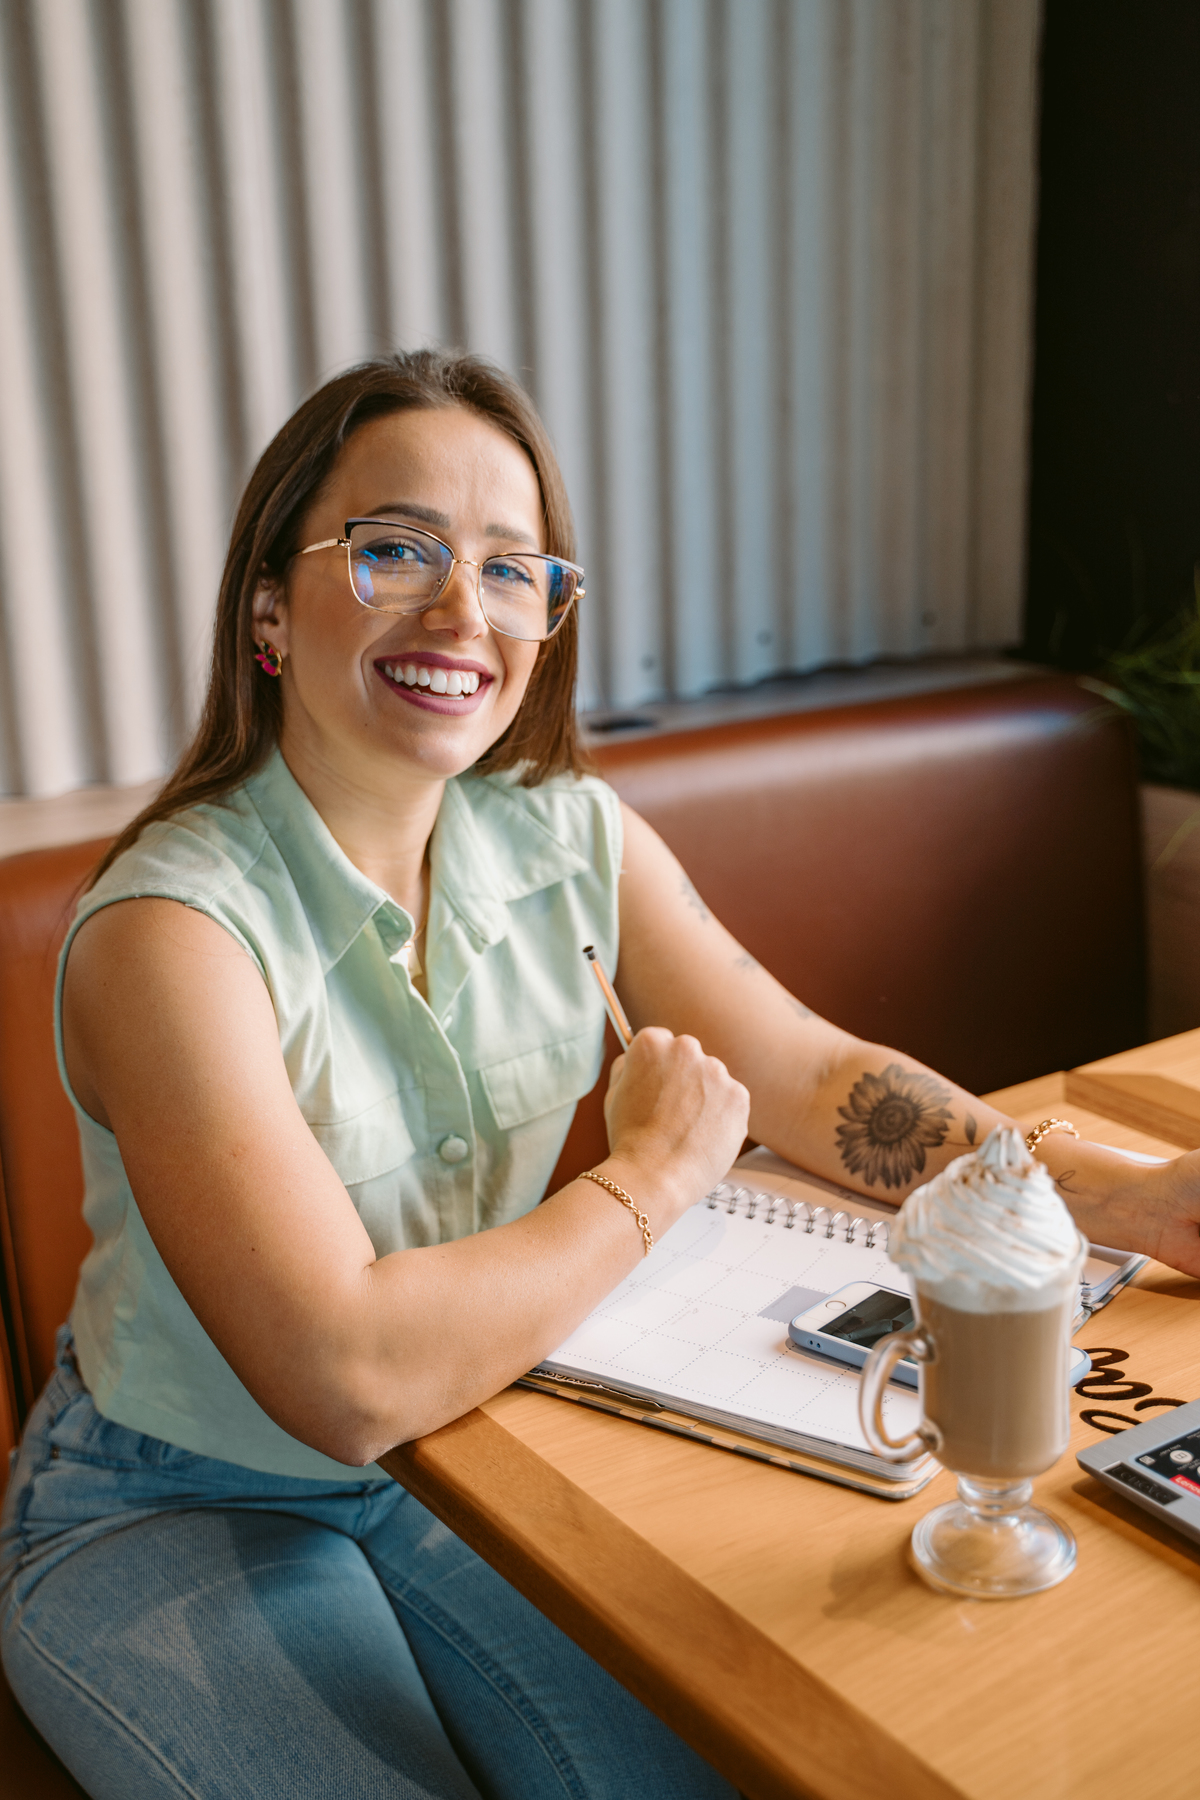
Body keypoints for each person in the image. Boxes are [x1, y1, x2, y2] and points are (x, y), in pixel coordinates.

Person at [2, 351, 1197, 1800]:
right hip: (179, 1499)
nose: (463, 610)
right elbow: (346, 1373)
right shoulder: (169, 936)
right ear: (269, 609)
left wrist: (1125, 1199)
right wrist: (652, 1179)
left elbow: (815, 1077)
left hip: (480, 1464)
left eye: (514, 570)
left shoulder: (569, 831)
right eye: (399, 550)